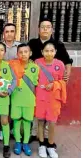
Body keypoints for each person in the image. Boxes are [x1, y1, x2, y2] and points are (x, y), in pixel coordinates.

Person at [28, 17, 72, 146]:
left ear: (51, 29)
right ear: (39, 29)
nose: (45, 29)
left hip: (52, 85)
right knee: (37, 112)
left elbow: (68, 62)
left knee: (51, 115)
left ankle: (47, 138)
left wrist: (66, 77)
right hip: (37, 83)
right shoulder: (33, 43)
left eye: (48, 27)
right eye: (43, 27)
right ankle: (34, 133)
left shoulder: (58, 44)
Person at [35, 41, 66, 158]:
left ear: (55, 52)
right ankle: (42, 145)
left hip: (54, 99)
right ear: (42, 52)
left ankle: (51, 145)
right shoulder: (37, 63)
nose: (49, 53)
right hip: (40, 98)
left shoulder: (60, 64)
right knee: (41, 122)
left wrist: (54, 85)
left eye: (51, 51)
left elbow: (63, 81)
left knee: (52, 123)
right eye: (46, 51)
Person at [9, 43, 39, 156]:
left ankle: (25, 143)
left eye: (26, 52)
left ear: (30, 53)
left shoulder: (35, 68)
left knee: (27, 122)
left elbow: (37, 84)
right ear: (17, 54)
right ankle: (18, 142)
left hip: (29, 100)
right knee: (16, 121)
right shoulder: (12, 65)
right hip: (16, 99)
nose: (23, 54)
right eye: (20, 52)